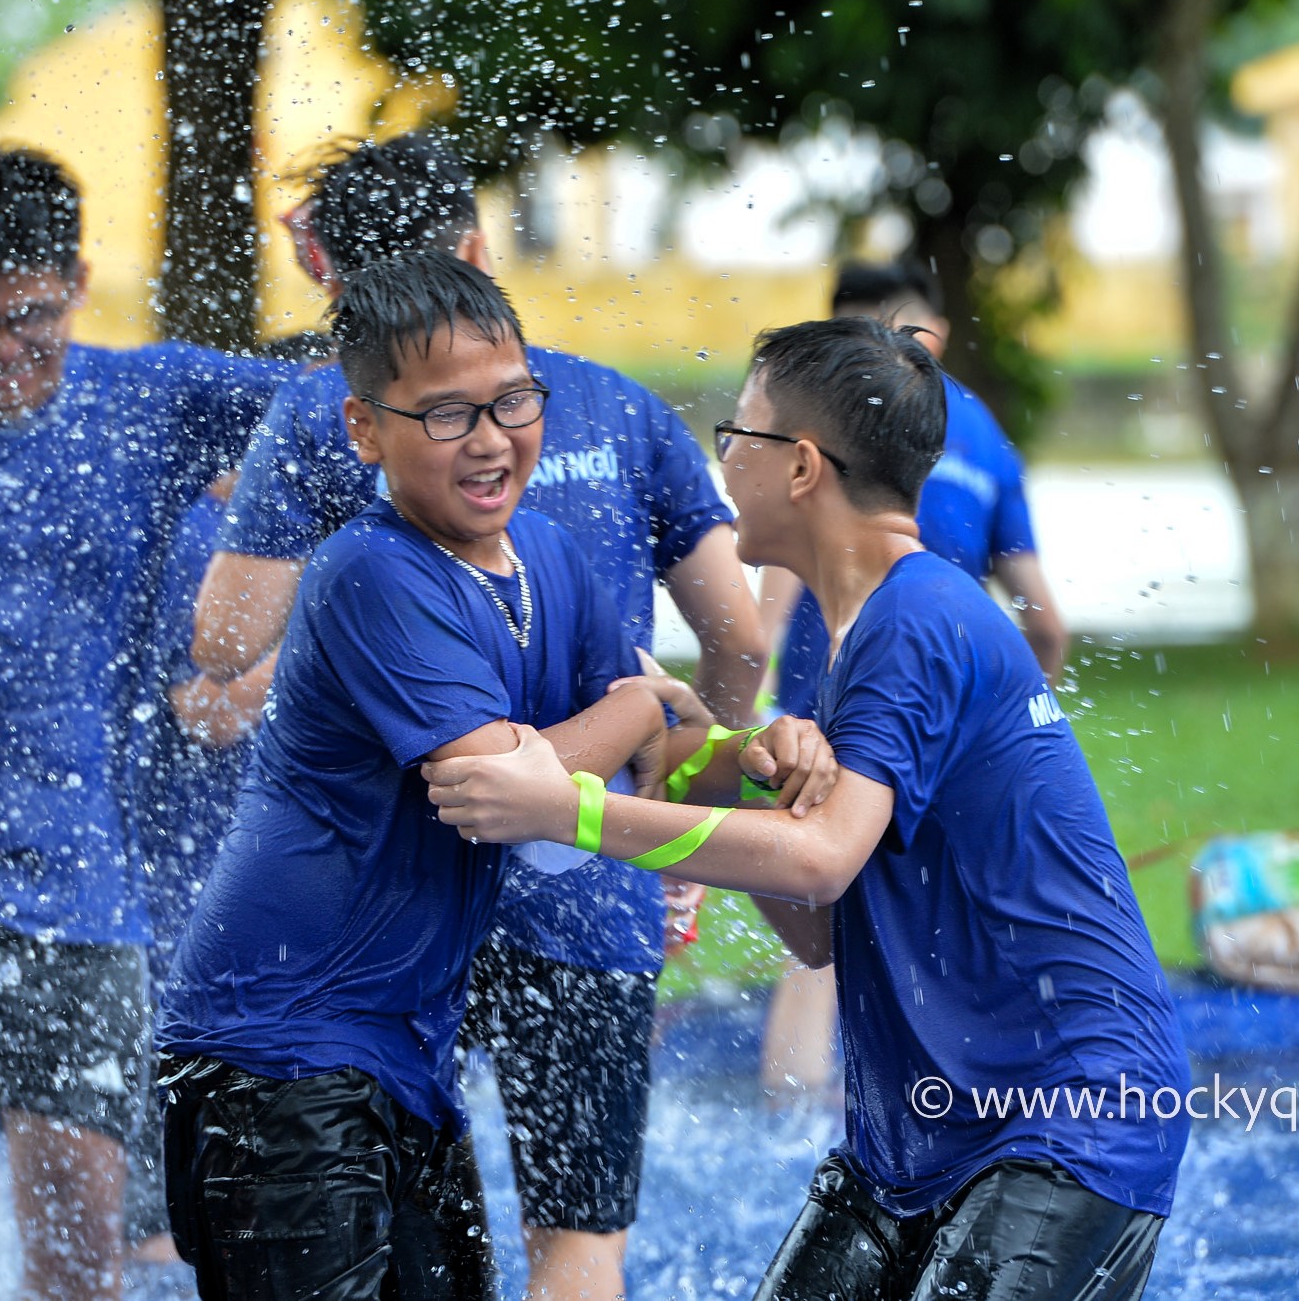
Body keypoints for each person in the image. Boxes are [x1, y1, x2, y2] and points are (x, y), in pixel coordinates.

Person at [426, 317, 1192, 1301]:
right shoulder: (865, 641)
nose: (723, 463)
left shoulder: (916, 618)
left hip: (1070, 1118)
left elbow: (820, 858)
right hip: (917, 1133)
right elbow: (823, 927)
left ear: (800, 467)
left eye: (735, 436)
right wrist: (731, 772)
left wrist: (564, 809)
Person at [191, 132, 768, 1300]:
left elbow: (222, 640)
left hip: (388, 914)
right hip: (584, 876)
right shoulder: (612, 406)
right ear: (477, 248)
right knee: (578, 1246)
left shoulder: (328, 418)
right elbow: (742, 641)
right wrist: (679, 826)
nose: (486, 441)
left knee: (389, 1209)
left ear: (335, 280)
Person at [156, 249, 654, 1298]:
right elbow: (494, 794)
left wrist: (655, 719)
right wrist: (637, 705)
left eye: (512, 400)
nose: (489, 440)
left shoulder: (550, 555)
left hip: (397, 1055)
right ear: (361, 428)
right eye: (445, 414)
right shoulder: (369, 570)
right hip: (273, 1052)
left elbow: (619, 735)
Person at [0, 147, 291, 1301]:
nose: (4, 351)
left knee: (76, 1276)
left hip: (66, 899)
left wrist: (273, 644)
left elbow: (358, 433)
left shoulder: (151, 399)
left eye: (28, 318)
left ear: (75, 279)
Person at [758, 257, 1068, 1098]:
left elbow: (762, 619)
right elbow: (1044, 618)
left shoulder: (823, 433)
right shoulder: (976, 434)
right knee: (916, 925)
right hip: (932, 728)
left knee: (825, 934)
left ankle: (786, 1113)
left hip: (832, 719)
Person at [122, 471, 273, 1263]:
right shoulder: (202, 538)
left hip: (241, 907)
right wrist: (326, 632)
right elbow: (207, 713)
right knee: (168, 1228)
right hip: (181, 910)